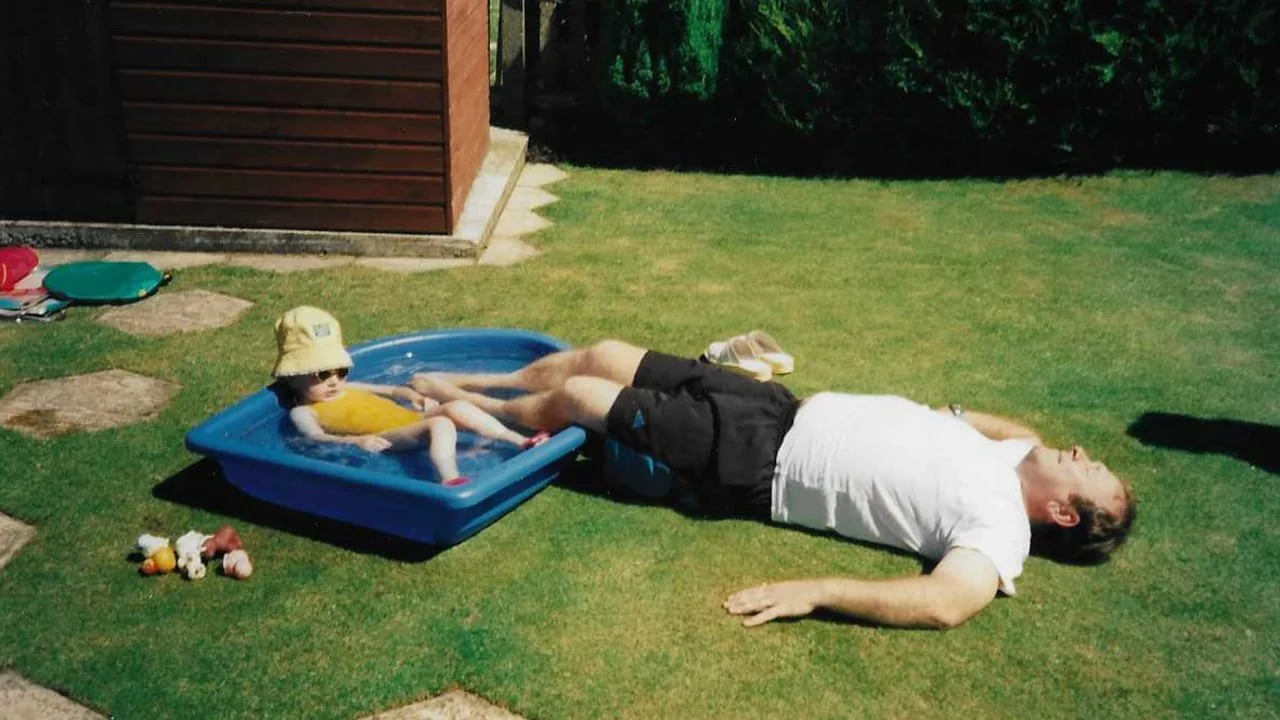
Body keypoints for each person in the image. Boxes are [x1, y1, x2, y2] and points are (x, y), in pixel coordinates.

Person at [409, 339, 1137, 629]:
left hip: (758, 463)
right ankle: (485, 377)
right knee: (604, 352)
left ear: (1062, 516)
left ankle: (476, 412)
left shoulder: (1000, 532)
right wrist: (950, 418)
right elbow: (1019, 435)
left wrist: (815, 592)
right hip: (779, 407)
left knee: (584, 401)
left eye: (1088, 468)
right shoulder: (1015, 454)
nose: (1076, 449)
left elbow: (948, 602)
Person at [272, 306, 548, 486]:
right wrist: (358, 440)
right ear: (294, 378)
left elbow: (392, 390)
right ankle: (450, 479)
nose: (334, 381)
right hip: (388, 435)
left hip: (411, 418)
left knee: (458, 406)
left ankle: (520, 441)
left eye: (341, 371)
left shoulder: (349, 388)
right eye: (321, 374)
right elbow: (316, 438)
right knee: (441, 424)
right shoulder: (303, 411)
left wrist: (411, 396)